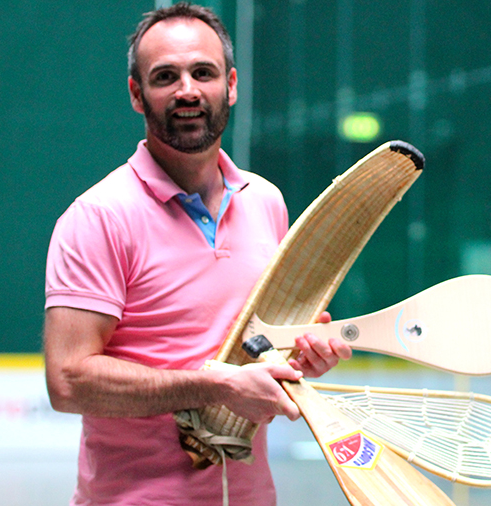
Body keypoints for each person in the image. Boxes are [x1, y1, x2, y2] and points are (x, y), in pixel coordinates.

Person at [43, 3, 352, 505]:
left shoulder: (265, 201)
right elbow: (69, 381)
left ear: (230, 85)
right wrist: (216, 387)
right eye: (166, 76)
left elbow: (252, 351)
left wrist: (300, 358)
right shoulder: (98, 217)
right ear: (137, 95)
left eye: (202, 72)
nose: (187, 89)